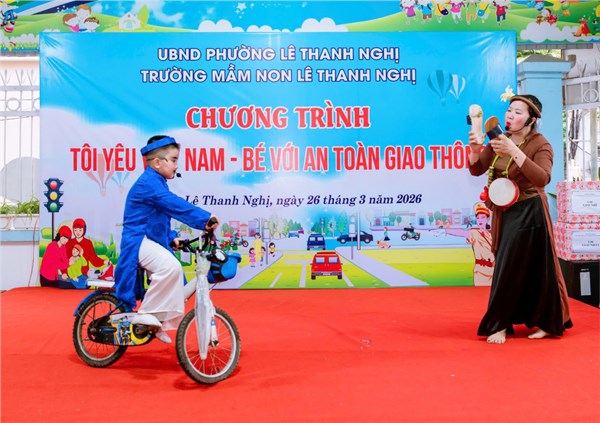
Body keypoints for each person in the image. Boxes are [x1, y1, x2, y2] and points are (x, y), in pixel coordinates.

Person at [467, 94, 572, 344]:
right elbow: (476, 169)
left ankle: (517, 323)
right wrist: (475, 150)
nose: (510, 116)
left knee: (535, 268)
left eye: (518, 112)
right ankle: (508, 320)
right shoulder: (498, 139)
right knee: (508, 265)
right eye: (509, 110)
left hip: (530, 211)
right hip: (505, 211)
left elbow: (543, 178)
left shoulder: (540, 144)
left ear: (531, 119)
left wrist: (513, 150)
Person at [115, 135, 217, 344]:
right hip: (138, 240)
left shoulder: (157, 183)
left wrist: (172, 238)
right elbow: (173, 204)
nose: (176, 165)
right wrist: (205, 219)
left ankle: (157, 321)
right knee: (171, 267)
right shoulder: (149, 183)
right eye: (173, 160)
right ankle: (145, 313)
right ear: (157, 162)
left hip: (148, 240)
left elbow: (157, 219)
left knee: (176, 285)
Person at [445, 203, 494, 286]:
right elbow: (461, 232)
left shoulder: (492, 234)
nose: (480, 220)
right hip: (481, 272)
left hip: (494, 271)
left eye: (483, 217)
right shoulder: (474, 232)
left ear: (487, 219)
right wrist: (446, 230)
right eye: (478, 218)